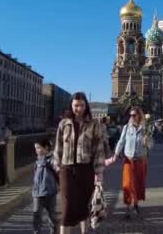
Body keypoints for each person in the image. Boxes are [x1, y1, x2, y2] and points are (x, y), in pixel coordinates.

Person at [54, 92, 107, 234]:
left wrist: (99, 172)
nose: (79, 108)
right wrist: (57, 167)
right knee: (67, 209)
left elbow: (99, 150)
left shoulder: (94, 125)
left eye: (82, 105)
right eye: (76, 105)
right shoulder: (63, 124)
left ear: (86, 106)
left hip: (86, 170)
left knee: (83, 207)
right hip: (67, 169)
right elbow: (58, 147)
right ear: (71, 105)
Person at [109, 106, 150, 220]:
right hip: (128, 160)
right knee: (127, 184)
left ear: (139, 116)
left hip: (141, 160)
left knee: (137, 184)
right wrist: (116, 154)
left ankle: (135, 203)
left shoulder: (145, 128)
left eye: (134, 115)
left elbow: (150, 145)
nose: (131, 117)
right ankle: (127, 209)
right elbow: (121, 141)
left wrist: (148, 141)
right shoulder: (127, 127)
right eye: (130, 115)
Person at [32, 138, 58, 234]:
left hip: (50, 193)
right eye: (36, 148)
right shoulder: (36, 162)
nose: (36, 150)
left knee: (52, 216)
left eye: (38, 148)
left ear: (46, 147)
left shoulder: (51, 160)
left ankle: (53, 232)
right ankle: (36, 232)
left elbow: (57, 170)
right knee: (36, 215)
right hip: (37, 193)